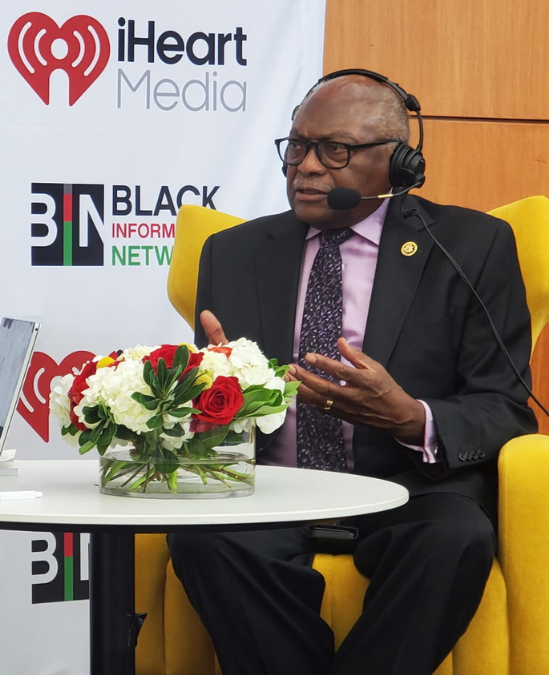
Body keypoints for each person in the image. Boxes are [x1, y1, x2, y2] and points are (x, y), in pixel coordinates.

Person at [166, 70, 537, 675]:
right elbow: (210, 407)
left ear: (398, 164)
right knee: (202, 538)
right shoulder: (233, 253)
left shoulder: (471, 247)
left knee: (456, 538)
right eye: (296, 147)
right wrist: (213, 394)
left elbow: (504, 406)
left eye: (334, 150)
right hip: (273, 488)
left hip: (409, 487)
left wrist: (410, 418)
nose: (306, 167)